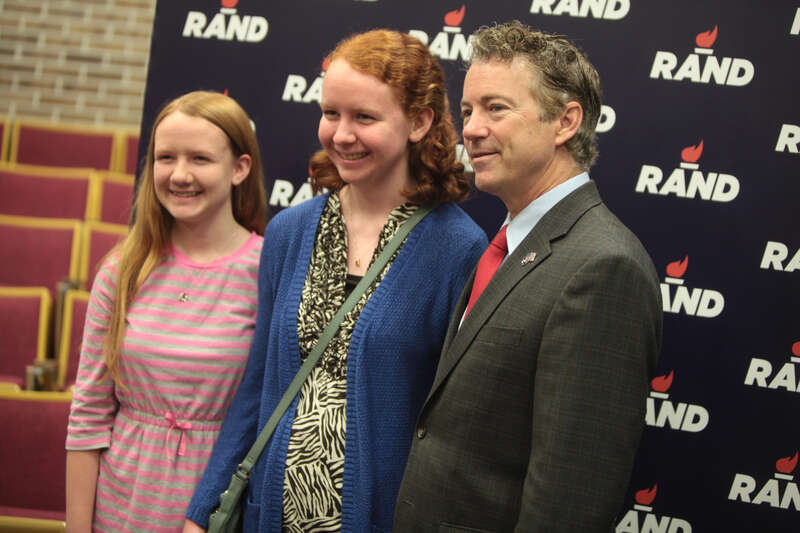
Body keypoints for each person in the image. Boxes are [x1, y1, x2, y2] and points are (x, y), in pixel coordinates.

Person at [184, 29, 487, 532]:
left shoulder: (457, 249)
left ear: (419, 121)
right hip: (272, 517)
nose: (341, 134)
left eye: (364, 117)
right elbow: (258, 385)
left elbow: (453, 425)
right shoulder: (290, 231)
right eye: (331, 113)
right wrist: (205, 509)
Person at [394, 21, 663, 532]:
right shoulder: (506, 244)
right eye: (469, 110)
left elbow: (571, 500)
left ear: (565, 122)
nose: (470, 129)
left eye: (496, 108)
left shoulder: (603, 267)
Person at [65, 90, 268, 533]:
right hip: (119, 509)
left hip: (215, 512)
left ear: (239, 169)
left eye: (199, 159)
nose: (179, 175)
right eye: (165, 158)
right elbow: (88, 416)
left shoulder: (266, 271)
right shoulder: (123, 270)